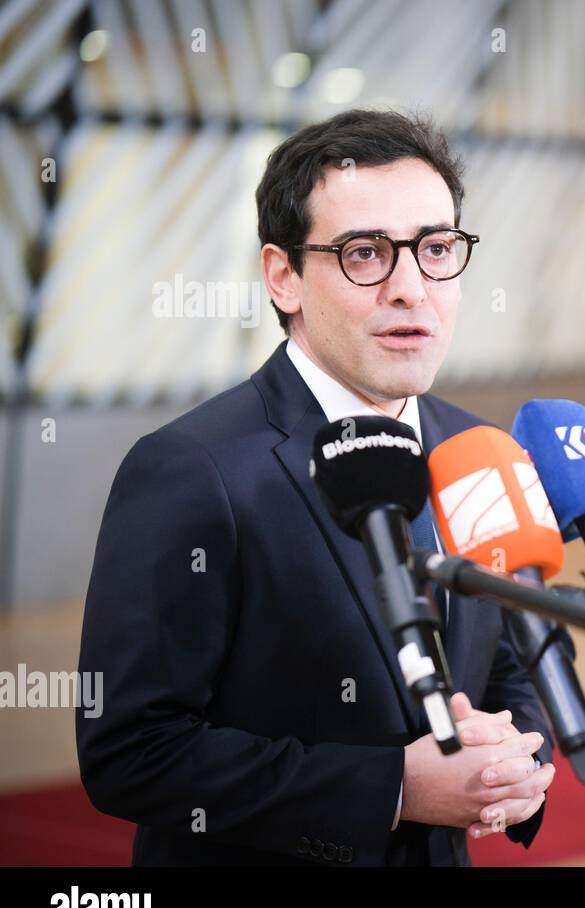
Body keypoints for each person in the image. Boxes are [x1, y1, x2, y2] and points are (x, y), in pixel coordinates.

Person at [76, 108, 555, 866]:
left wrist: (520, 766)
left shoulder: (477, 451)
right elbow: (132, 751)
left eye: (435, 249)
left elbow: (507, 661)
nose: (411, 288)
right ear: (283, 275)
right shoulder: (191, 469)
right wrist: (393, 788)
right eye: (366, 253)